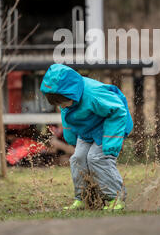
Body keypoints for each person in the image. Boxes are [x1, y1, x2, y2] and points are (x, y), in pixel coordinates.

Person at [40, 64, 133, 211]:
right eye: (58, 104)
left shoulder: (93, 94)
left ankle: (115, 199)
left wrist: (111, 140)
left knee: (96, 158)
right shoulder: (67, 100)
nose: (61, 107)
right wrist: (70, 136)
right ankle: (84, 198)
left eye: (62, 103)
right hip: (88, 129)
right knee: (78, 159)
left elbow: (118, 111)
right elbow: (67, 117)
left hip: (108, 127)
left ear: (70, 93)